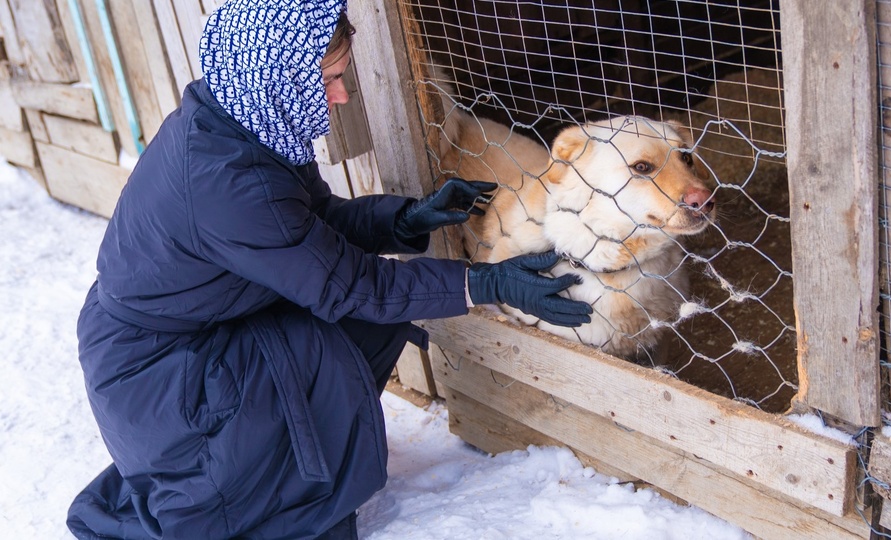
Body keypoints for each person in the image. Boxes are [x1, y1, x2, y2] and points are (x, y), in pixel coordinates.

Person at [66, 1, 592, 538]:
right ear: (279, 74)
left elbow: (307, 225)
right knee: (349, 326)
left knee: (358, 328)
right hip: (166, 382)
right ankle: (274, 491)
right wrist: (486, 282)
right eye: (329, 79)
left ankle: (292, 455)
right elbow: (347, 285)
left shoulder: (243, 121)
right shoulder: (229, 181)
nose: (340, 95)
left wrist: (403, 219)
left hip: (193, 343)